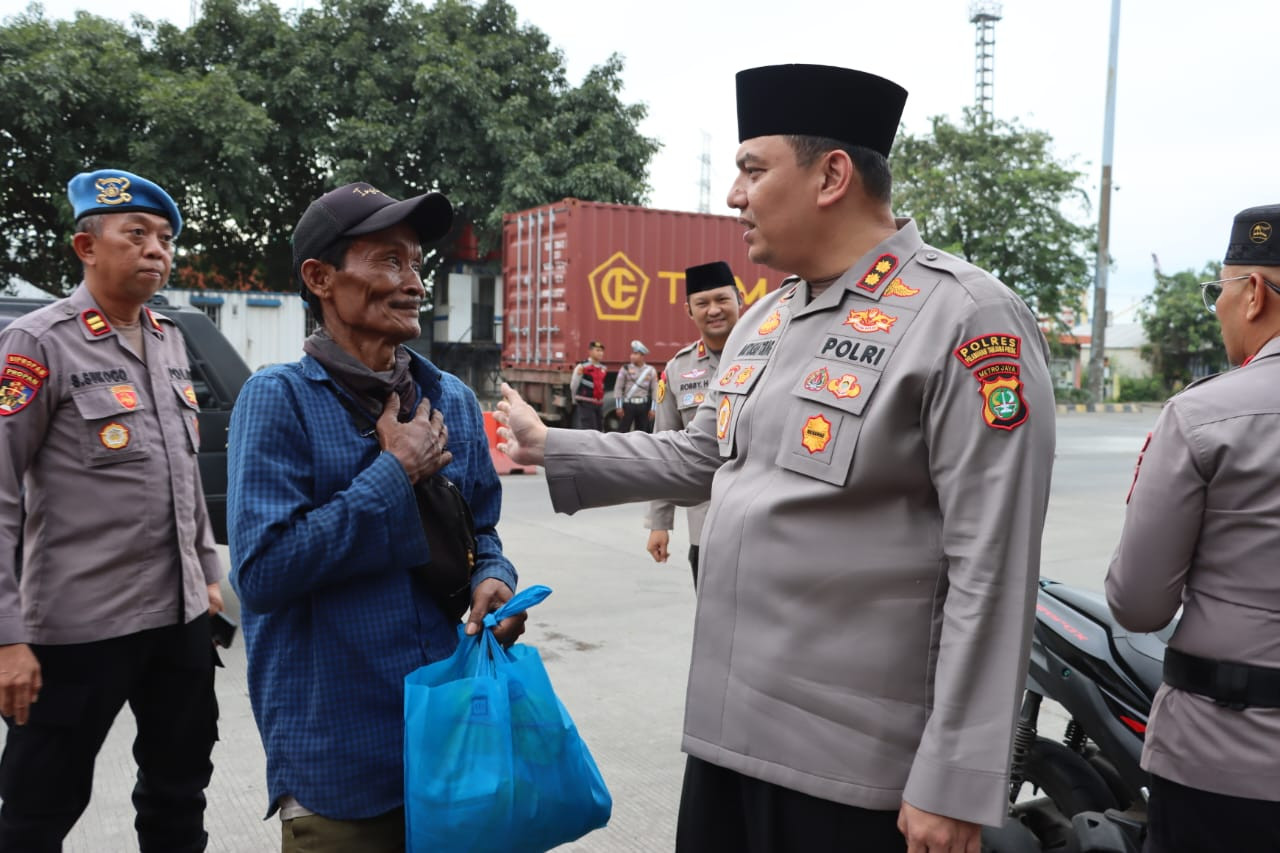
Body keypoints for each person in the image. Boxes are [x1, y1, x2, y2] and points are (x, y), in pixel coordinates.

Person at [496, 63, 1055, 852]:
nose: (733, 194)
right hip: (729, 740)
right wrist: (552, 444)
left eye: (752, 169)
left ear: (832, 175)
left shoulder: (962, 316)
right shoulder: (767, 321)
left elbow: (992, 561)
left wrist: (956, 776)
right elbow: (701, 456)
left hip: (857, 772)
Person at [227, 181, 524, 852]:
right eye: (389, 261)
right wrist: (395, 473)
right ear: (321, 277)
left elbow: (482, 527)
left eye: (417, 263)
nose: (413, 282)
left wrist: (495, 578)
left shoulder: (444, 395)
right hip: (343, 766)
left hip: (451, 740)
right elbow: (264, 572)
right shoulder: (278, 401)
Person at [0, 168, 223, 851]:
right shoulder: (39, 343)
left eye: (164, 237)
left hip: (179, 617)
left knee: (179, 796)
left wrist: (209, 572)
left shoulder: (169, 337)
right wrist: (7, 637)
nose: (157, 249)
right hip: (76, 628)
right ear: (86, 247)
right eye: (137, 234)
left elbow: (181, 471)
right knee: (37, 812)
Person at [1105, 204, 1280, 853]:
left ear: (1254, 293)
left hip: (1227, 765)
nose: (1218, 307)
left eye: (1220, 290)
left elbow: (1138, 601)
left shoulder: (1205, 415)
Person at [644, 261, 744, 587]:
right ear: (689, 310)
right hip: (706, 531)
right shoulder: (677, 370)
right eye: (702, 303)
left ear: (739, 299)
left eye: (722, 300)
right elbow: (665, 450)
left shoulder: (773, 354)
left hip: (763, 526)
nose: (713, 310)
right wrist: (660, 523)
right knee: (714, 628)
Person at [613, 339, 657, 433]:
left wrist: (653, 409)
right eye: (632, 353)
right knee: (623, 431)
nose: (632, 356)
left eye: (636, 353)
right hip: (628, 405)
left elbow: (655, 390)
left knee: (642, 432)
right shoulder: (625, 369)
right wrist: (619, 406)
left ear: (642, 355)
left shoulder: (650, 370)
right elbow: (618, 388)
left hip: (643, 406)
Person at [569, 340, 607, 430]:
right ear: (590, 352)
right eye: (597, 350)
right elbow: (574, 384)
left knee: (598, 428)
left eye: (601, 351)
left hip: (598, 403)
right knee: (589, 428)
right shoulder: (582, 367)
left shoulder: (603, 368)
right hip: (585, 403)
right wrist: (574, 399)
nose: (600, 353)